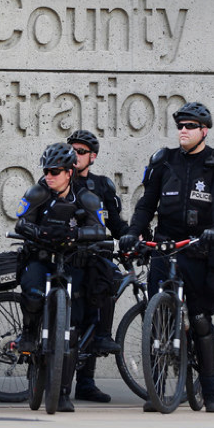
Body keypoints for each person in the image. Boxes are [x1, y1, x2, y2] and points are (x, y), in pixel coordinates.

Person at [119, 102, 214, 413]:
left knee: (200, 320)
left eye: (190, 126)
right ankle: (156, 390)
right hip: (165, 246)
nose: (183, 131)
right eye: (180, 126)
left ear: (204, 130)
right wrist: (133, 232)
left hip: (198, 248)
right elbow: (147, 204)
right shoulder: (164, 160)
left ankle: (211, 391)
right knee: (157, 321)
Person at [14, 142, 106, 412]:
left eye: (55, 171)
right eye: (46, 171)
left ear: (69, 173)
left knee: (72, 329)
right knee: (32, 293)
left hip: (71, 263)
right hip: (41, 259)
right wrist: (39, 233)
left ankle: (63, 393)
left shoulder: (86, 198)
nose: (49, 176)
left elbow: (100, 230)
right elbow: (21, 222)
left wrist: (76, 234)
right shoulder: (37, 193)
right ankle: (28, 333)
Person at [66, 130, 126, 403]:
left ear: (93, 157)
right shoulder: (59, 179)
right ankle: (59, 382)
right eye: (72, 150)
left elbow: (116, 223)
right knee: (73, 320)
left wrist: (132, 236)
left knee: (93, 315)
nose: (75, 156)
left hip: (97, 260)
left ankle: (86, 383)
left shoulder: (102, 185)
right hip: (70, 259)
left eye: (81, 152)